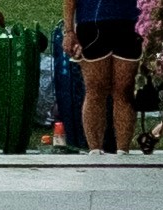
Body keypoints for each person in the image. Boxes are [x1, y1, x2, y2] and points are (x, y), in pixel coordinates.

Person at [63, 0, 141, 155]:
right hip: (91, 22)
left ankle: (123, 150)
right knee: (95, 89)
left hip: (130, 22)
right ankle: (94, 149)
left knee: (124, 89)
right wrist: (69, 31)